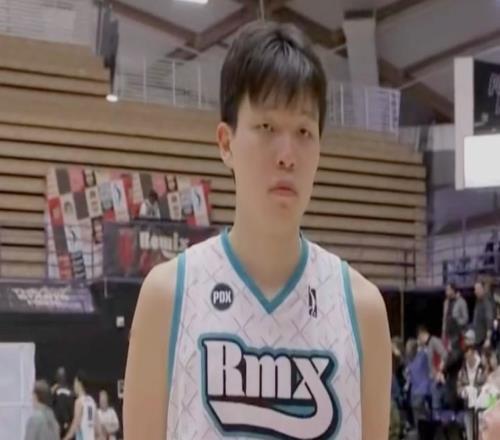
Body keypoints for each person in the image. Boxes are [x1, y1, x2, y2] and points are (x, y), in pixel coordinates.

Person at [124, 20, 391, 440]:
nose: (287, 155)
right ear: (225, 143)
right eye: (267, 128)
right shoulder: (168, 296)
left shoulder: (363, 310)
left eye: (304, 131)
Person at [457, 343, 487, 440]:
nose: (468, 359)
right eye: (466, 357)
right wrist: (463, 392)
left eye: (470, 356)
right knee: (469, 432)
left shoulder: (482, 368)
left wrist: (476, 390)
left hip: (481, 406)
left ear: (474, 354)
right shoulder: (463, 370)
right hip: (468, 405)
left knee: (480, 432)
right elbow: (459, 386)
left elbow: (487, 384)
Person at [62, 371, 102, 440]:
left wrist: (66, 438)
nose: (74, 386)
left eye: (74, 383)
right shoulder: (92, 401)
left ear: (79, 383)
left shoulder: (79, 401)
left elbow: (76, 424)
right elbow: (98, 429)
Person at [442, 282, 469, 350]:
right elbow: (444, 318)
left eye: (448, 289)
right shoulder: (446, 302)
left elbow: (465, 319)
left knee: (456, 352)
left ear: (453, 290)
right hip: (448, 334)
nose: (446, 291)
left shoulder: (461, 301)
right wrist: (443, 333)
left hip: (458, 334)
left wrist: (457, 322)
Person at [51, 367, 74, 439]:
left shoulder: (55, 390)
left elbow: (49, 404)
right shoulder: (71, 391)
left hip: (59, 423)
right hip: (67, 423)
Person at [473, 280, 495, 350]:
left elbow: (489, 319)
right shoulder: (478, 301)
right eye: (475, 289)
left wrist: (488, 338)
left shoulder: (487, 301)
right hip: (477, 337)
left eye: (477, 289)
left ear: (483, 289)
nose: (475, 291)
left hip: (484, 340)